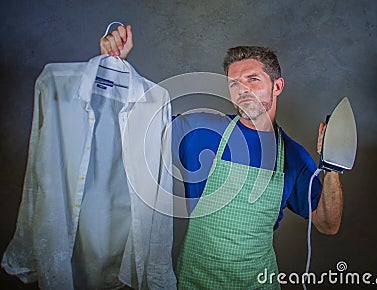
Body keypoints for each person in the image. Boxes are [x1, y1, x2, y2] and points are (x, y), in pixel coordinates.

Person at [100, 25, 343, 289]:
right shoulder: (200, 130)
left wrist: (332, 165)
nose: (242, 90)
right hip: (195, 280)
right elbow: (134, 130)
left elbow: (327, 224)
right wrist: (116, 67)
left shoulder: (293, 156)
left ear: (277, 86)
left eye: (253, 79)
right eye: (234, 83)